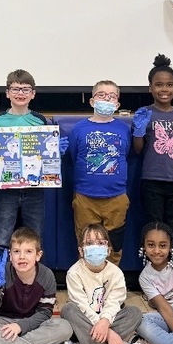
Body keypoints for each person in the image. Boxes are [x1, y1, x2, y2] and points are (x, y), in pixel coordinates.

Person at [0, 227, 74, 344]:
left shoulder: (47, 276)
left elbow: (45, 313)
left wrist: (21, 326)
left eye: (28, 251)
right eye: (16, 251)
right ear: (10, 255)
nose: (22, 256)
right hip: (3, 322)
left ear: (38, 255)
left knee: (65, 328)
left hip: (32, 323)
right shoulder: (2, 271)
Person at [131, 55, 173, 250]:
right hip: (152, 180)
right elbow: (137, 149)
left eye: (169, 85)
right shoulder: (144, 112)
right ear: (150, 88)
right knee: (153, 227)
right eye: (159, 85)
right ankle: (152, 271)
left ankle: (172, 272)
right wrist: (139, 131)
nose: (164, 89)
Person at [63, 80, 131, 265]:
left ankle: (111, 285)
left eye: (112, 96)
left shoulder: (123, 129)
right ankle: (86, 285)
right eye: (101, 95)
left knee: (114, 245)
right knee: (86, 244)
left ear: (117, 104)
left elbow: (126, 154)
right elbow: (75, 155)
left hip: (116, 197)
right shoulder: (79, 129)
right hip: (85, 197)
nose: (106, 98)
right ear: (92, 101)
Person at [61, 224, 149, 344]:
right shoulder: (74, 273)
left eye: (100, 243)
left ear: (108, 250)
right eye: (89, 243)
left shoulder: (116, 273)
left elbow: (114, 304)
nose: (95, 247)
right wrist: (109, 334)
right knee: (68, 310)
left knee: (134, 312)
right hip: (84, 323)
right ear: (81, 251)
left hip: (106, 321)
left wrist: (105, 322)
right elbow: (82, 306)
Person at [0, 70, 51, 251]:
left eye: (25, 89)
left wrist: (55, 150)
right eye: (15, 89)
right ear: (7, 93)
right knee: (2, 236)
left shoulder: (40, 120)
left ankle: (36, 278)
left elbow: (46, 153)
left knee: (35, 235)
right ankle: (0, 278)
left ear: (33, 93)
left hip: (34, 190)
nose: (20, 93)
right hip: (6, 189)